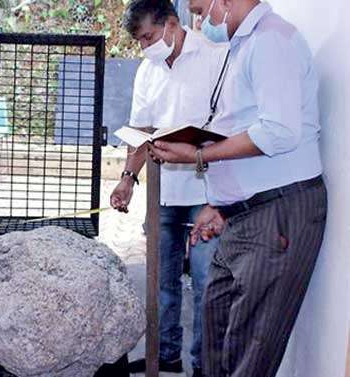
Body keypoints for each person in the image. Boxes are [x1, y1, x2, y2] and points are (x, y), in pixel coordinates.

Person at [149, 0, 327, 376]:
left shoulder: (270, 41)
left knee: (249, 348)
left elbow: (279, 132)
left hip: (277, 213)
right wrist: (220, 203)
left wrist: (198, 157)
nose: (200, 21)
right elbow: (241, 126)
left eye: (201, 10)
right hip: (245, 214)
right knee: (217, 326)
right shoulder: (243, 45)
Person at [110, 1, 226, 375]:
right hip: (163, 194)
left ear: (172, 24)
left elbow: (229, 124)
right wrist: (128, 179)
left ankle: (202, 365)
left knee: (208, 283)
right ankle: (166, 355)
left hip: (206, 194)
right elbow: (140, 132)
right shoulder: (148, 70)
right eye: (139, 41)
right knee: (161, 282)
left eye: (148, 37)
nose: (145, 47)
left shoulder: (214, 58)